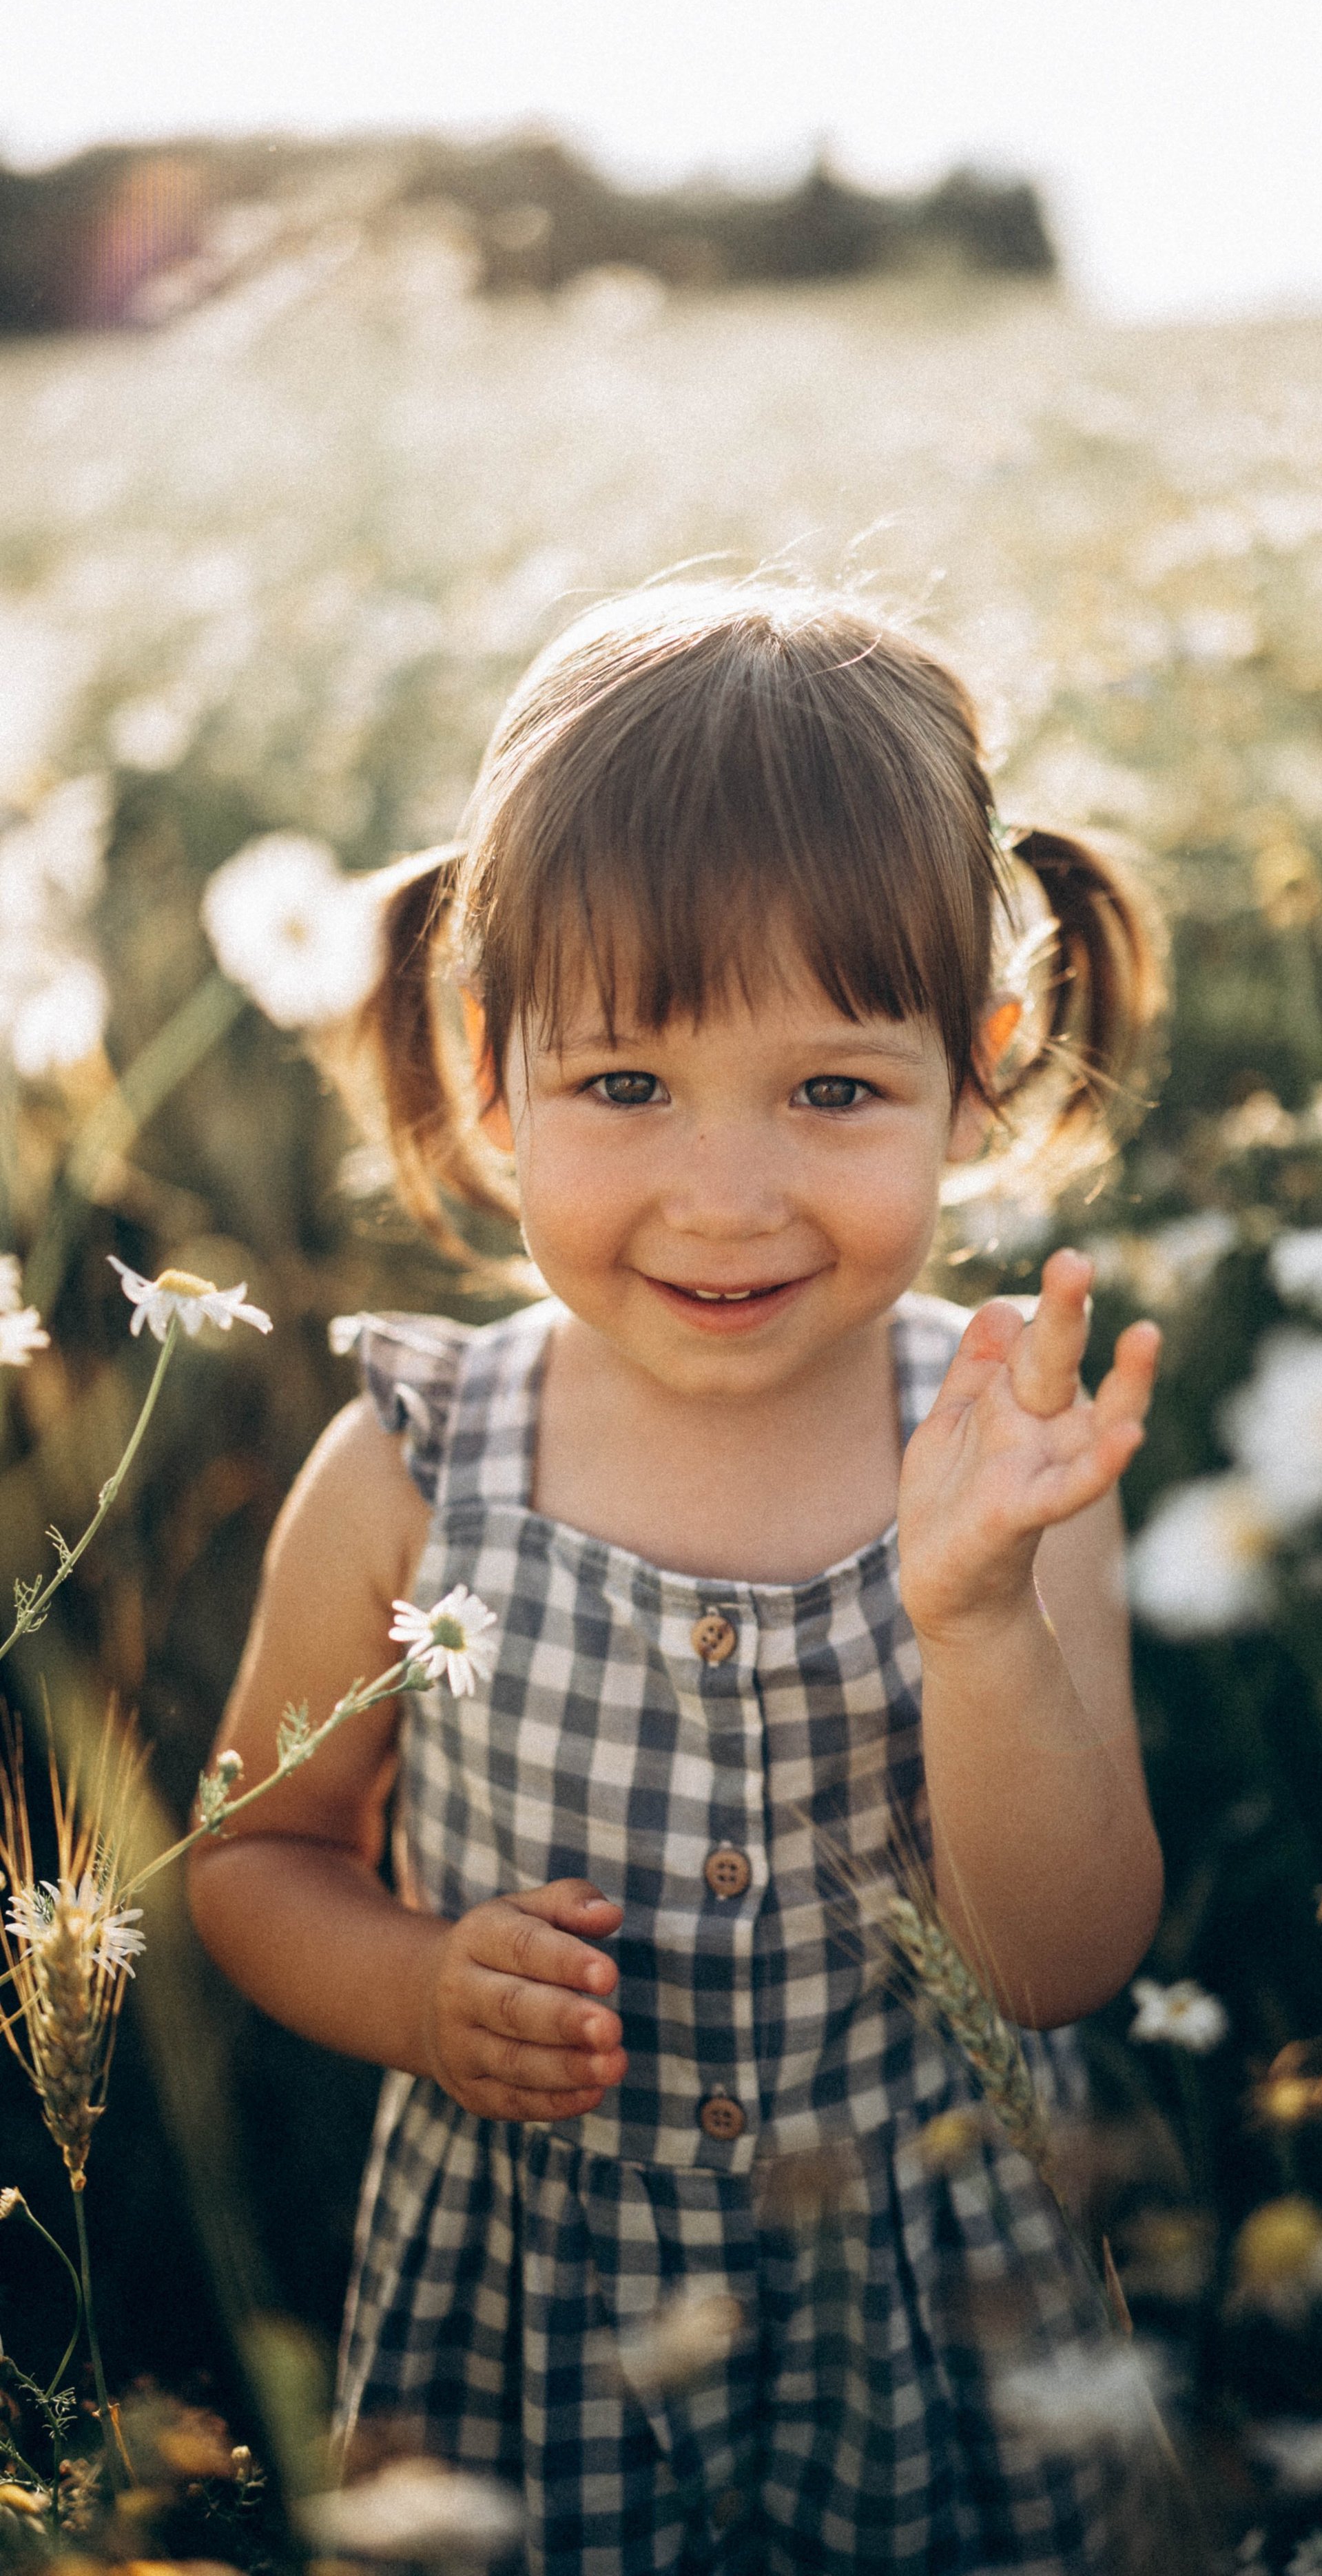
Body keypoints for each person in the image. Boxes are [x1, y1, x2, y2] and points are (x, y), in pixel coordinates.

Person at [188, 581, 1168, 2575]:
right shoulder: (409, 1458)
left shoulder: (1006, 1456)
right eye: (626, 1087)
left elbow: (1061, 1963)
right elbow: (250, 1855)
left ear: (976, 1076)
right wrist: (413, 1987)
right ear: (490, 1072)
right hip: (532, 2325)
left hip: (925, 2316)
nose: (726, 1198)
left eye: (833, 1090)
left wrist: (974, 1620)